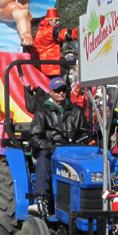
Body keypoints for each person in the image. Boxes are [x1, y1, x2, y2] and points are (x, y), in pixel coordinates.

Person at [27, 77, 89, 216]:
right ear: (51, 91)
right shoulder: (42, 111)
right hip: (50, 151)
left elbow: (85, 132)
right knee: (43, 157)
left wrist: (79, 142)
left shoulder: (77, 111)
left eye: (63, 90)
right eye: (57, 90)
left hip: (72, 150)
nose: (61, 93)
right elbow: (34, 137)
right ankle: (41, 199)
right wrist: (52, 146)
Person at [30, 9, 78, 77]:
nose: (58, 23)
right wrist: (78, 32)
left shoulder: (38, 33)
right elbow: (64, 34)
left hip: (40, 69)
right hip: (51, 69)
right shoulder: (51, 31)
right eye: (56, 20)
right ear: (50, 21)